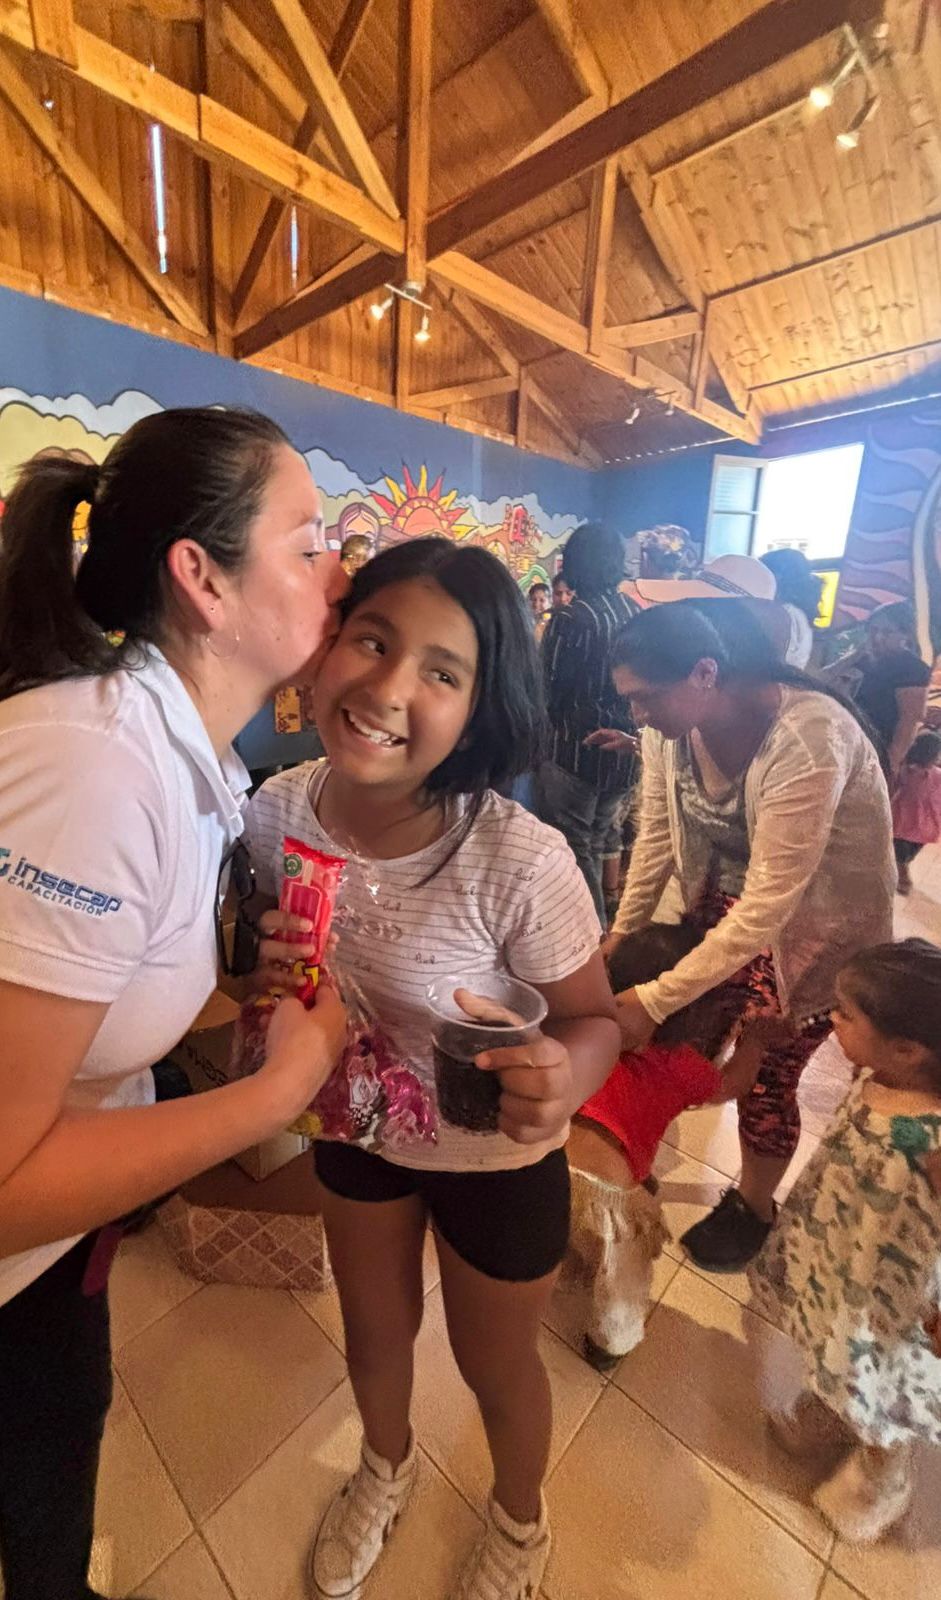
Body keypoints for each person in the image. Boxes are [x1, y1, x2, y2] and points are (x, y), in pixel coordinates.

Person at [0, 407, 349, 1600]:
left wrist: (223, 980)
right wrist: (276, 1092)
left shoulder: (185, 756)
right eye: (307, 542)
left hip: (61, 1246)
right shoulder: (99, 767)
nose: (336, 572)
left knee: (60, 1431)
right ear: (201, 577)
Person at [241, 537, 619, 1600]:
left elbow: (593, 1020)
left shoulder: (517, 858)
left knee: (494, 1367)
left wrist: (563, 1075)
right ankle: (383, 1466)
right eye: (372, 640)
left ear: (479, 707)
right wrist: (256, 974)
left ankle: (518, 1523)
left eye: (441, 672)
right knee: (373, 1334)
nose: (387, 689)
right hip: (354, 1132)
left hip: (495, 1161)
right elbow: (268, 961)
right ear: (327, 644)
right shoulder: (275, 810)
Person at [605, 598, 895, 1270]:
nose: (637, 716)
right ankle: (633, 1153)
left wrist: (651, 998)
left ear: (704, 673)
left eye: (646, 697)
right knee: (682, 1055)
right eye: (630, 700)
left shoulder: (807, 736)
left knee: (766, 1077)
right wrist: (622, 936)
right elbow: (655, 838)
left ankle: (753, 1207)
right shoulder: (671, 732)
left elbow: (770, 903)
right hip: (720, 915)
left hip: (810, 937)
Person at [751, 939, 941, 1545]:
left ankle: (884, 1473)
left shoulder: (933, 1135)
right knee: (836, 1341)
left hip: (894, 1293)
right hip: (844, 1247)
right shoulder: (880, 1073)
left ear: (908, 1049)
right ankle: (837, 1411)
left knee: (881, 1375)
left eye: (846, 1014)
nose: (832, 1019)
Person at [537, 522, 637, 924]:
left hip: (573, 750)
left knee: (574, 849)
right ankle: (603, 931)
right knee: (597, 841)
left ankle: (592, 939)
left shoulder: (571, 618)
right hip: (623, 752)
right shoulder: (633, 611)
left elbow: (546, 688)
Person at [830, 601, 931, 776]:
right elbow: (825, 680)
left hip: (880, 748)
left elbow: (909, 720)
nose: (877, 637)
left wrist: (890, 763)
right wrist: (853, 656)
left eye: (887, 632)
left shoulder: (912, 669)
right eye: (873, 630)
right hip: (848, 741)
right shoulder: (863, 660)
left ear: (905, 635)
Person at [891, 728, 941, 893]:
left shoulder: (936, 775)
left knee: (910, 850)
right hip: (904, 822)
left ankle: (901, 867)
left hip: (923, 825)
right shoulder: (905, 772)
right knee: (902, 853)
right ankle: (902, 873)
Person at [759, 548, 824, 668]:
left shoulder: (783, 613)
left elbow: (773, 660)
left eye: (761, 574)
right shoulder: (796, 613)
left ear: (777, 577)